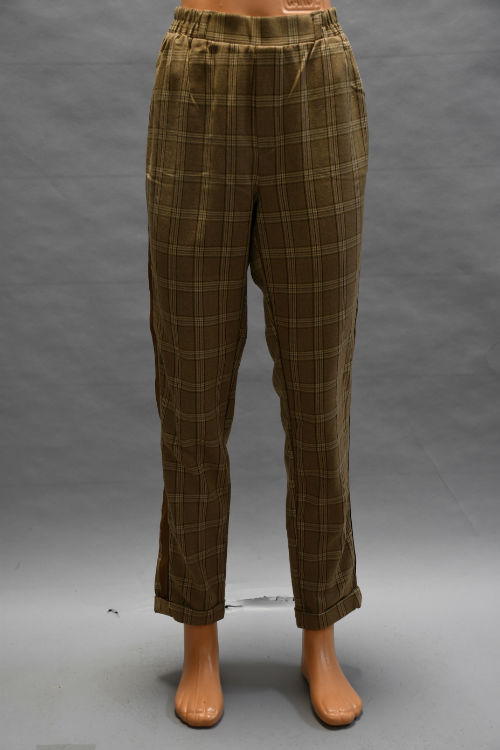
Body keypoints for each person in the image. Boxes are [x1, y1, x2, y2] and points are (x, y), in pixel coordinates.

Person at [145, 0, 368, 727]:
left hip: (314, 75)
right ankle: (198, 635)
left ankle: (321, 634)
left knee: (319, 391)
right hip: (199, 77)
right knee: (191, 389)